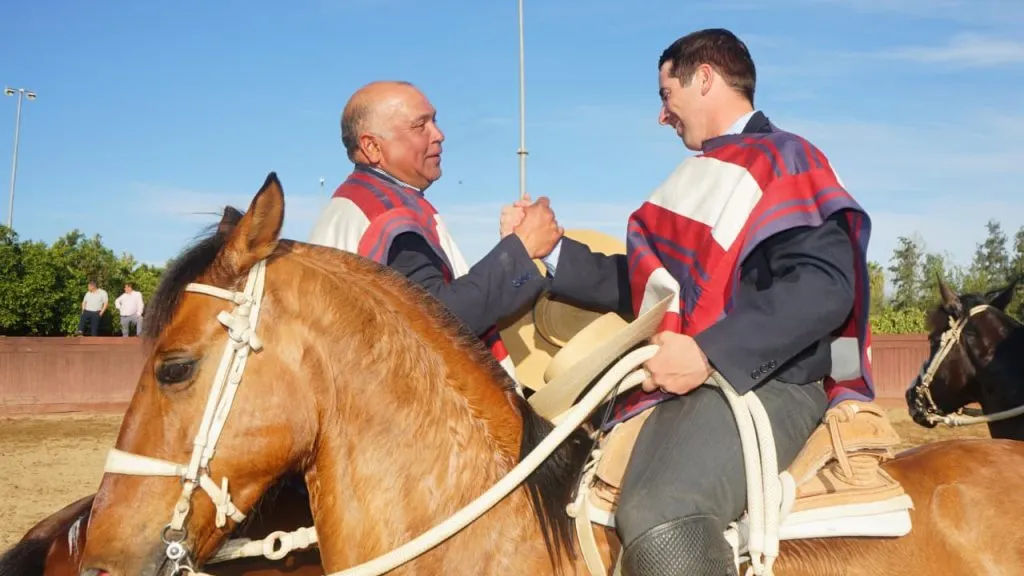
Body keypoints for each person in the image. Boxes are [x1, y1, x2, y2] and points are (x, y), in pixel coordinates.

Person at [504, 28, 874, 575]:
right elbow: (645, 288)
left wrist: (707, 352)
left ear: (704, 79)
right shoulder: (700, 175)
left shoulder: (786, 158)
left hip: (769, 384)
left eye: (665, 93)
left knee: (660, 514)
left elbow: (822, 287)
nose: (662, 115)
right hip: (690, 385)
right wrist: (552, 252)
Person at [308, 80, 564, 384]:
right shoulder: (388, 213)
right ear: (372, 146)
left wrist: (511, 247)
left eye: (434, 121)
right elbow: (438, 319)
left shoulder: (355, 202)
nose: (439, 135)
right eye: (420, 126)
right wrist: (521, 248)